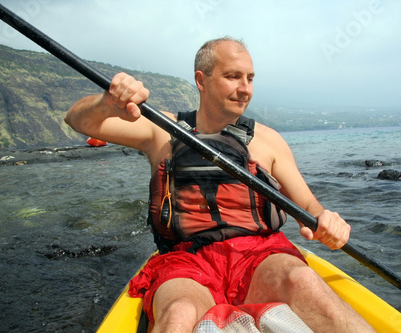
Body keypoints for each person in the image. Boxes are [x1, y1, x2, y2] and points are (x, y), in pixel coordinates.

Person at [65, 37, 375, 332]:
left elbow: (308, 207)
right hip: (187, 259)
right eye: (232, 76)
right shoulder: (162, 130)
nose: (245, 89)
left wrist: (327, 219)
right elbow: (81, 121)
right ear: (201, 80)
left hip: (259, 255)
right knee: (179, 314)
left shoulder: (268, 141)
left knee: (303, 282)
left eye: (250, 78)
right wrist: (106, 102)